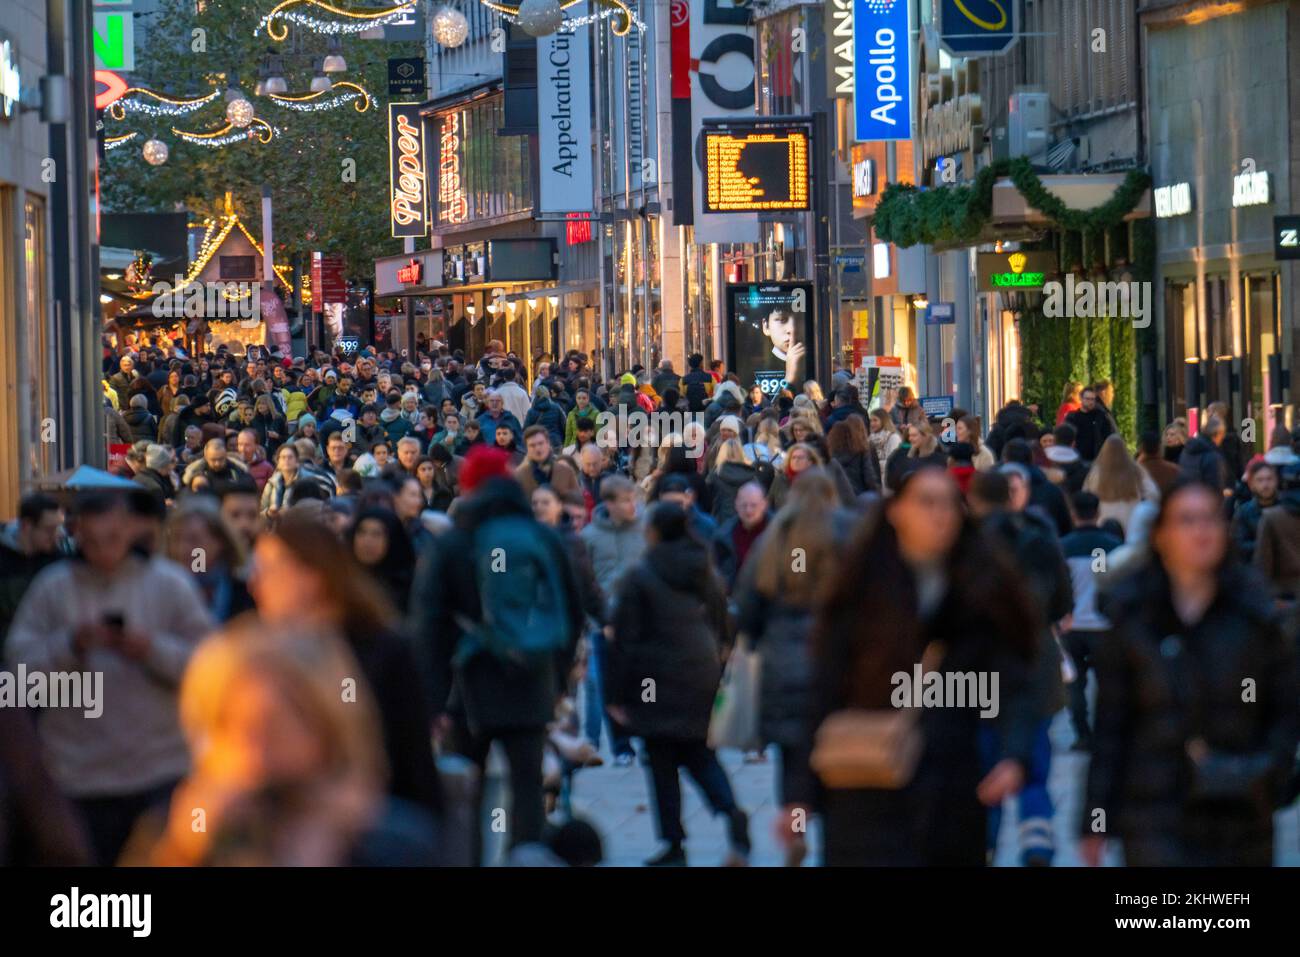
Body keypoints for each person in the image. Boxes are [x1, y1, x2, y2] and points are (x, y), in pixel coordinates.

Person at [812, 465, 1040, 866]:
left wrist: (1014, 753)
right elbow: (821, 687)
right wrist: (799, 792)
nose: (940, 514)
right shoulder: (862, 588)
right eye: (926, 502)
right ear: (895, 510)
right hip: (866, 785)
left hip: (949, 789)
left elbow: (1013, 680)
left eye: (950, 503)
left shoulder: (979, 588)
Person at [1083, 479, 1298, 867]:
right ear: (1161, 534)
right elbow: (1112, 723)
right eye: (1187, 520)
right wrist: (1095, 817)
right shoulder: (1134, 616)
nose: (1201, 531)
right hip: (1154, 809)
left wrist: (1268, 773)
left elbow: (1283, 709)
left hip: (1239, 809)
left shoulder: (1254, 615)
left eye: (1210, 519)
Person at [5, 492, 214, 865]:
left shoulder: (169, 585)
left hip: (159, 772)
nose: (103, 552)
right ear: (78, 533)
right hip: (75, 776)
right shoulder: (52, 588)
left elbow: (211, 668)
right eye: (93, 541)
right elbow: (16, 676)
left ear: (130, 531)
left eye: (113, 539)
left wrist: (151, 649)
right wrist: (69, 645)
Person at [140, 622, 440, 865]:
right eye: (228, 725)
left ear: (326, 729)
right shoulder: (177, 830)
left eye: (273, 727)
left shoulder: (396, 844)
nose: (252, 754)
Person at [408, 447, 583, 858]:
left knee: (467, 795)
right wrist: (558, 679)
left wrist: (433, 701)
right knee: (527, 787)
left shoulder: (453, 542)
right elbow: (570, 612)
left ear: (468, 487)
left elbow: (429, 624)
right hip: (531, 678)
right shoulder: (539, 536)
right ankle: (525, 856)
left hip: (466, 685)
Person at [249, 514, 442, 816]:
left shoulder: (380, 650)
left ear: (311, 576)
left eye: (269, 570)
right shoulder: (261, 651)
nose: (256, 584)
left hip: (376, 820)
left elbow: (413, 763)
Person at [606, 502, 750, 866]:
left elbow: (626, 640)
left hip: (654, 677)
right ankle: (730, 812)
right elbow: (723, 617)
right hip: (699, 669)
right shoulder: (702, 566)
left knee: (661, 759)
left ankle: (674, 842)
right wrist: (718, 656)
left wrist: (617, 694)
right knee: (699, 751)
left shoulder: (642, 574)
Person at [733, 470, 852, 866]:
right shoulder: (848, 532)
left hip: (783, 666)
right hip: (838, 665)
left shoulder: (775, 536)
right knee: (838, 764)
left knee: (795, 762)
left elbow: (748, 607)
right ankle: (836, 840)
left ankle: (797, 827)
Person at [579, 475, 644, 765]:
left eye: (634, 499)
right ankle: (621, 745)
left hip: (640, 620)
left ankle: (646, 735)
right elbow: (586, 581)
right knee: (609, 685)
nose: (633, 505)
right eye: (626, 500)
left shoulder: (645, 532)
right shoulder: (590, 537)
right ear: (609, 503)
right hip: (603, 623)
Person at [1058, 491, 1123, 751]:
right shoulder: (1113, 546)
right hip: (1104, 626)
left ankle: (1082, 735)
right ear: (1098, 513)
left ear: (1074, 514)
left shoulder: (1063, 546)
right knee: (1109, 685)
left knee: (1075, 685)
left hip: (1071, 625)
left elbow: (1058, 586)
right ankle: (1106, 733)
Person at [164, 498, 255, 625]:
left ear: (219, 542)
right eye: (177, 538)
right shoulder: (162, 592)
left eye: (194, 540)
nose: (183, 549)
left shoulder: (246, 593)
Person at [0, 493, 66, 657]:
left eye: (59, 527)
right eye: (50, 529)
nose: (58, 535)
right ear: (26, 526)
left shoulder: (60, 561)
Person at [1083, 434, 1160, 539]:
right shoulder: (1136, 470)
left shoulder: (1096, 472)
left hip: (1103, 522)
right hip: (1131, 521)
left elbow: (1085, 495)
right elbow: (1153, 494)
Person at [711, 480, 770, 593]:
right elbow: (715, 570)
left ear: (764, 505)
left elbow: (799, 554)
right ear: (736, 505)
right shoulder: (722, 536)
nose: (748, 510)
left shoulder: (782, 530)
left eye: (754, 505)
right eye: (744, 505)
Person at [1231, 461, 1279, 564]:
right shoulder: (1244, 512)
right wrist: (1267, 543)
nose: (1265, 485)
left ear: (1276, 481)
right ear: (1251, 484)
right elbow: (1238, 545)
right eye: (1260, 480)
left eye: (1269, 479)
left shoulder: (1286, 508)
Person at [514, 425, 579, 499]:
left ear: (548, 444)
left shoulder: (565, 472)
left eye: (540, 443)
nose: (538, 448)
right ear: (527, 448)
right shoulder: (519, 476)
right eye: (532, 445)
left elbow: (578, 502)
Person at [707, 438, 759, 524]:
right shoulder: (751, 475)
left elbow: (707, 499)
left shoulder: (715, 475)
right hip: (746, 521)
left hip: (720, 521)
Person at [827, 416, 880, 496]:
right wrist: (877, 492)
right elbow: (869, 476)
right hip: (859, 495)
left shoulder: (829, 455)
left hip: (837, 497)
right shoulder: (862, 451)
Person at [1178, 416, 1229, 494]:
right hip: (1205, 502)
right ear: (1217, 434)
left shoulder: (1187, 450)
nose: (1223, 438)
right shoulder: (1213, 457)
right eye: (1222, 435)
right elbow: (1215, 488)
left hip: (1186, 498)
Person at [1065, 387, 1115, 463]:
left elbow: (1109, 435)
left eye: (1093, 399)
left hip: (1096, 459)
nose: (1090, 402)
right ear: (1081, 399)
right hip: (1078, 459)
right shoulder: (1073, 417)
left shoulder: (1100, 417)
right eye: (1088, 399)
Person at [1136, 429, 1181, 498]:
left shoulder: (1133, 472)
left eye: (1172, 435)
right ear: (1160, 447)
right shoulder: (1174, 470)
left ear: (1140, 448)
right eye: (1167, 435)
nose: (1168, 437)